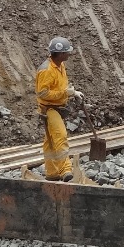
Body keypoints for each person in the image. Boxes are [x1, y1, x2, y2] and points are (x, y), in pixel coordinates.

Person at [35, 36, 83, 181]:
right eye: (67, 52)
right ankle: (65, 170)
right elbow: (42, 93)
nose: (69, 54)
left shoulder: (60, 65)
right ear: (60, 53)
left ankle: (52, 172)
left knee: (50, 141)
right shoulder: (46, 70)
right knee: (60, 136)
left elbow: (60, 86)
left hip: (58, 106)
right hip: (49, 109)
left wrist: (72, 93)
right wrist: (65, 93)